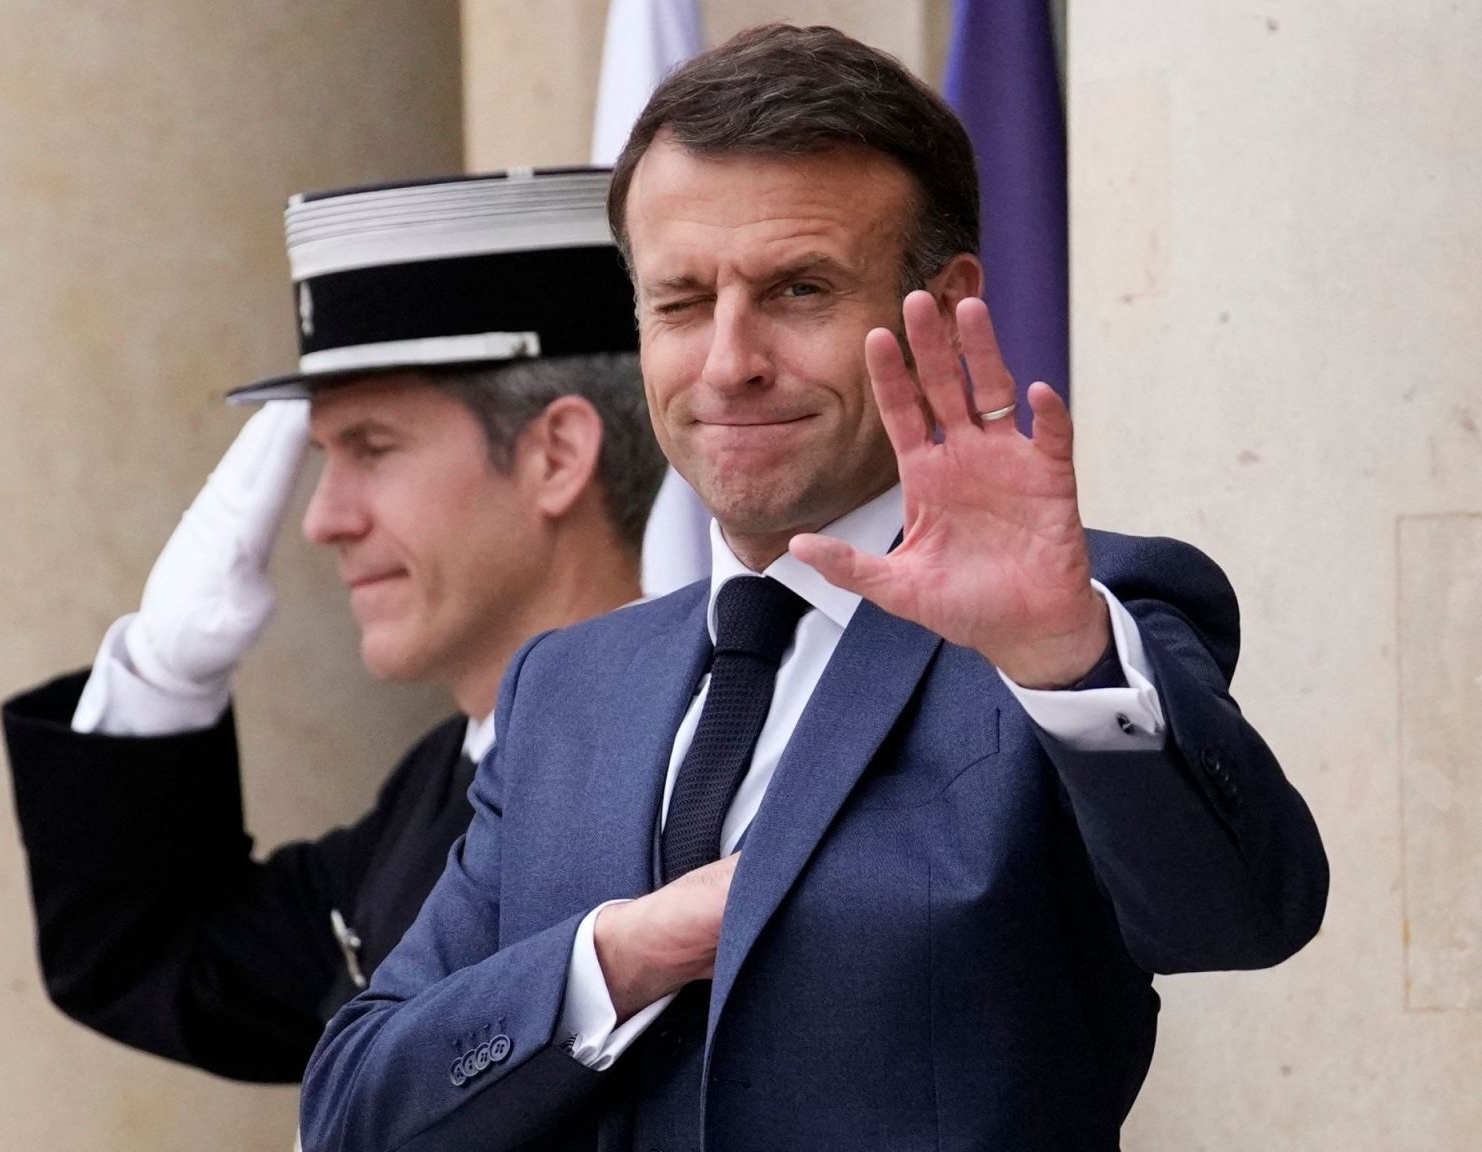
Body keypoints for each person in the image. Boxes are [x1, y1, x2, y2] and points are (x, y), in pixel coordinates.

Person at [300, 25, 1329, 1152]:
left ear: (946, 304)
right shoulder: (566, 686)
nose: (729, 361)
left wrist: (1061, 656)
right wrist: (621, 955)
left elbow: (1236, 917)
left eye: (799, 289)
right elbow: (353, 1110)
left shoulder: (1076, 627)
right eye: (681, 301)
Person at [0, 168, 666, 1083]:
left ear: (555, 455)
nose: (323, 520)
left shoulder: (671, 782)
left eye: (373, 449)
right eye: (324, 454)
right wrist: (162, 675)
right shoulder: (449, 775)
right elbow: (158, 964)